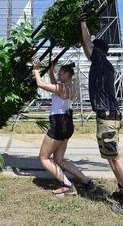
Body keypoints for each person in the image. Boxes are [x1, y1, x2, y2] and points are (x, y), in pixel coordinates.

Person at [80, 19, 123, 215]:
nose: (88, 51)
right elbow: (88, 45)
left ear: (97, 50)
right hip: (108, 115)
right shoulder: (104, 64)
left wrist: (83, 22)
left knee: (115, 157)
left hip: (107, 116)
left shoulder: (99, 60)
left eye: (92, 49)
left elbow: (87, 44)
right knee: (110, 157)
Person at [33, 58, 96, 196]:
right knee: (59, 159)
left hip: (59, 124)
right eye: (59, 72)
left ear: (68, 74)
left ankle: (67, 185)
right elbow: (55, 86)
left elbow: (40, 84)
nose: (59, 75)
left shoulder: (63, 88)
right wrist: (50, 72)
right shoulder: (69, 87)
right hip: (67, 123)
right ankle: (86, 181)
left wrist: (36, 69)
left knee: (44, 158)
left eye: (61, 73)